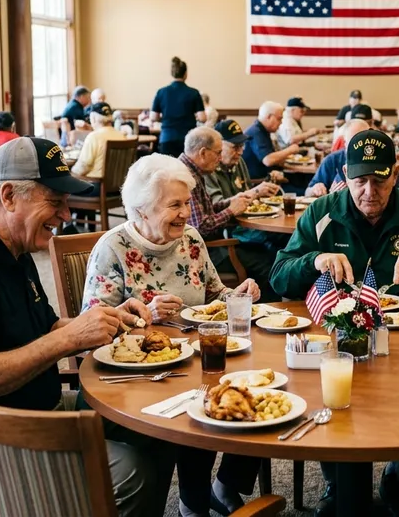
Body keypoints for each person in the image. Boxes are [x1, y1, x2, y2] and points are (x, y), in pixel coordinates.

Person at [0, 137, 167, 517]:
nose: (65, 214)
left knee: (153, 424)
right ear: (9, 196)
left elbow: (47, 328)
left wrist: (106, 319)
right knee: (130, 470)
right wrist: (69, 338)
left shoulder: (12, 247)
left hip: (28, 410)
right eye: (55, 201)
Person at [271, 129, 399, 517]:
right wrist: (314, 261)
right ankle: (336, 481)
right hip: (336, 336)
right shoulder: (321, 213)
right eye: (360, 180)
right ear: (345, 176)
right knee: (330, 394)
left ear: (395, 175)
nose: (369, 191)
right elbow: (279, 275)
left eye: (379, 180)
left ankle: (398, 479)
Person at [81, 153, 263, 516]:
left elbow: (213, 296)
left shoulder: (191, 239)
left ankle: (212, 492)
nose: (185, 213)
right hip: (140, 372)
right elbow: (92, 326)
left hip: (197, 359)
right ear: (142, 209)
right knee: (200, 403)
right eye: (175, 205)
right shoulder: (113, 248)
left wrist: (238, 296)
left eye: (187, 202)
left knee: (255, 391)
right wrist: (142, 315)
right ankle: (194, 502)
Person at [180, 127, 281, 300]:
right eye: (218, 153)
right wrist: (230, 211)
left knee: (268, 249)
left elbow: (206, 210)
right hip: (203, 252)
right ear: (203, 153)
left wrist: (231, 202)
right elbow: (200, 228)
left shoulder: (192, 171)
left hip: (208, 245)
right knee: (268, 263)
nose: (220, 158)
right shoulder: (187, 177)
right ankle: (264, 317)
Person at [203, 120, 286, 249]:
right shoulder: (209, 168)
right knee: (276, 242)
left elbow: (247, 191)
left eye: (242, 146)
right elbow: (217, 205)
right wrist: (255, 192)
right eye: (235, 147)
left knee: (285, 237)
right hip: (231, 232)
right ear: (219, 146)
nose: (241, 151)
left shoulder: (238, 161)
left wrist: (266, 185)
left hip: (251, 224)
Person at [152, 56, 205, 157]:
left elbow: (153, 117)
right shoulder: (194, 93)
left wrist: (165, 118)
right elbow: (202, 117)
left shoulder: (161, 92)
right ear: (186, 74)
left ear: (172, 73)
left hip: (167, 137)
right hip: (188, 140)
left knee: (167, 170)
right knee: (186, 170)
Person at [71, 102, 127, 195]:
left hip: (96, 187)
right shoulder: (121, 135)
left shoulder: (94, 137)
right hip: (120, 188)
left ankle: (84, 209)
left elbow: (83, 166)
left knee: (62, 190)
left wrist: (70, 174)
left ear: (93, 118)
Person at [307, 119, 370, 197]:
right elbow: (307, 192)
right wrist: (315, 189)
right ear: (345, 143)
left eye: (363, 141)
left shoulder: (378, 159)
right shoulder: (332, 160)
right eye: (354, 142)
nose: (358, 146)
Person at [243, 101, 303, 179]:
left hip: (270, 176)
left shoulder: (262, 130)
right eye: (279, 119)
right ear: (269, 117)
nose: (281, 123)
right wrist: (291, 150)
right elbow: (268, 160)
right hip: (259, 182)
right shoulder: (256, 132)